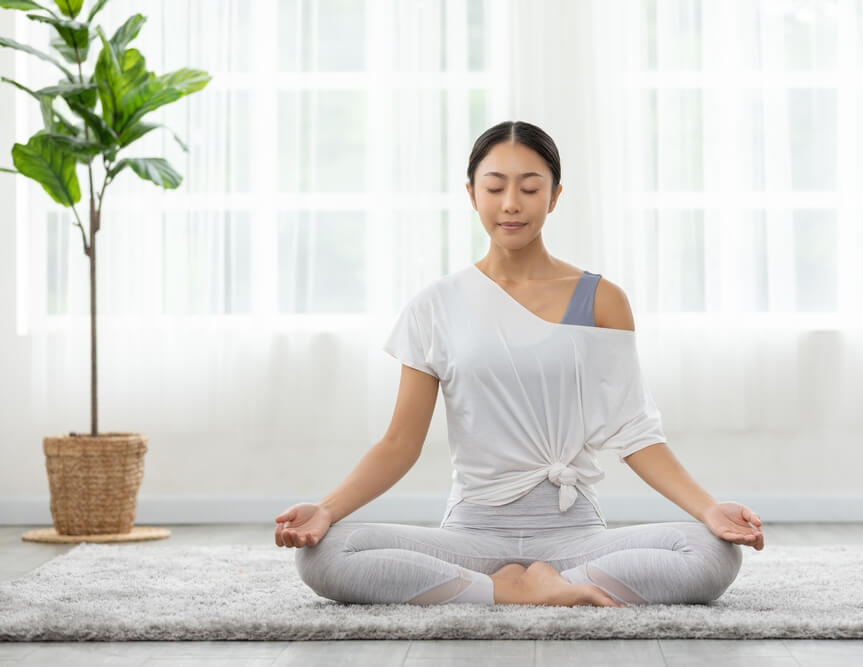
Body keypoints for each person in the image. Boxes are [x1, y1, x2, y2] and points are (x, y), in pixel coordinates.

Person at [274, 120, 765, 607]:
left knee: (709, 552)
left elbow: (635, 432)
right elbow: (399, 443)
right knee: (328, 553)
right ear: (472, 194)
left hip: (574, 537)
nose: (511, 203)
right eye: (495, 187)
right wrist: (325, 510)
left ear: (553, 196)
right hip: (473, 536)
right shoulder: (436, 305)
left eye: (530, 188)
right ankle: (510, 589)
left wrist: (708, 509)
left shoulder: (600, 300)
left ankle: (523, 586)